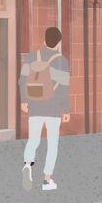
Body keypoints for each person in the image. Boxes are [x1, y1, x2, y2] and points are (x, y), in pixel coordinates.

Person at [20, 26, 70, 192]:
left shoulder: (32, 57)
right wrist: (66, 110)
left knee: (33, 139)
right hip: (53, 109)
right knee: (52, 144)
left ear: (44, 40)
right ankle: (47, 179)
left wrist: (24, 101)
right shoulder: (62, 61)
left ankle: (28, 164)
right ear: (58, 43)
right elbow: (63, 88)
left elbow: (22, 80)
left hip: (35, 105)